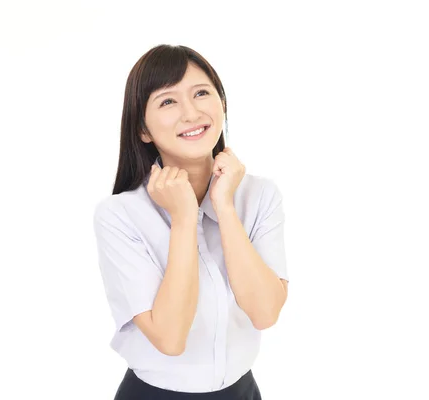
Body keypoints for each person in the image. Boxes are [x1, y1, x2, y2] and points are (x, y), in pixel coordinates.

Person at [92, 44, 290, 399]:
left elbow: (264, 313)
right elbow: (170, 338)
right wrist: (183, 219)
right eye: (168, 101)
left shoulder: (259, 196)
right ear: (143, 129)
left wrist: (224, 207)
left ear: (222, 105)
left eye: (201, 93)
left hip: (241, 392)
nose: (191, 112)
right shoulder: (120, 215)